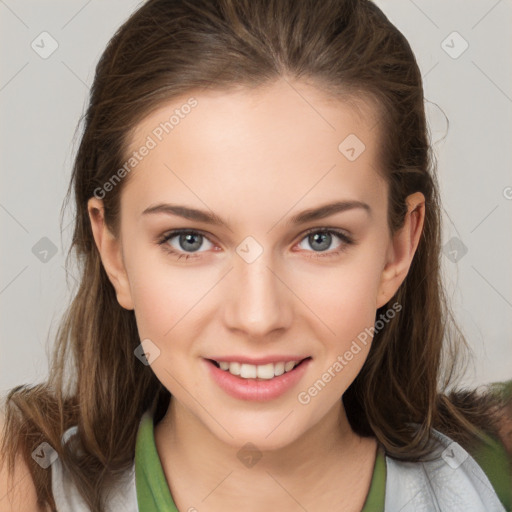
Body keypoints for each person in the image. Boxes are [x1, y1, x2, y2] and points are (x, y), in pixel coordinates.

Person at [1, 0, 511, 510]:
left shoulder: (496, 472)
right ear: (113, 253)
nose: (258, 316)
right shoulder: (22, 485)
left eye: (320, 239)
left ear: (397, 250)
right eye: (190, 240)